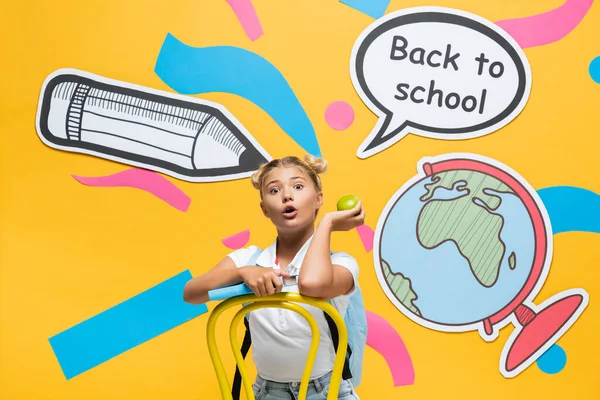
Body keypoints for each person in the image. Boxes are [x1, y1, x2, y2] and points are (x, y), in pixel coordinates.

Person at [183, 155, 364, 399]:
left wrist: (327, 224)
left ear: (319, 198)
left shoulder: (340, 263)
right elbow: (191, 294)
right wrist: (242, 273)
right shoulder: (247, 259)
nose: (287, 196)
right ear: (264, 209)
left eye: (298, 187)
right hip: (268, 392)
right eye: (275, 190)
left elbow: (312, 284)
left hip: (329, 391)